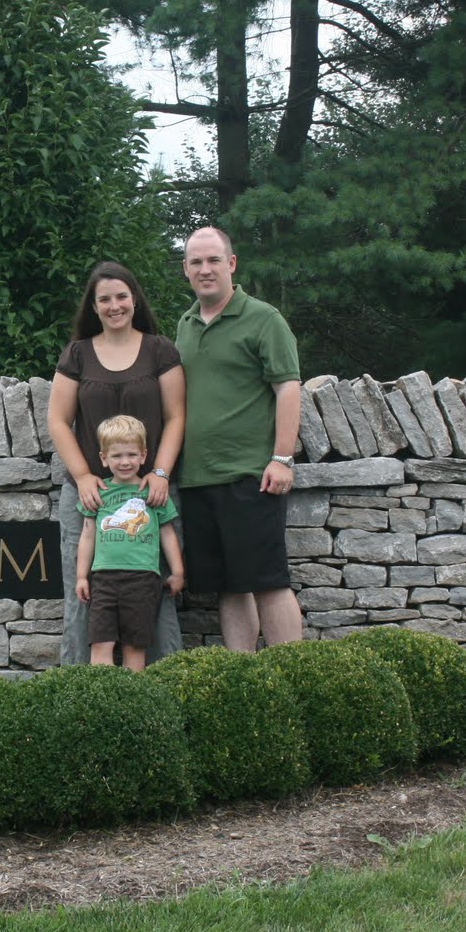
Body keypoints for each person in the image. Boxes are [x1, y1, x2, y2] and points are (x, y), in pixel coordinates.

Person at [47, 261, 186, 666]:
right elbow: (58, 420)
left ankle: (162, 688)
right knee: (84, 597)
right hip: (92, 499)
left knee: (155, 595)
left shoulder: (160, 350)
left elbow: (176, 416)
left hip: (151, 494)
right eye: (104, 299)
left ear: (134, 299)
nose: (114, 306)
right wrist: (83, 475)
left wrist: (159, 472)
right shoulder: (78, 354)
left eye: (121, 296)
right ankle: (80, 694)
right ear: (93, 306)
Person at [175, 226, 305, 652]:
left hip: (251, 475)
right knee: (228, 587)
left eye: (214, 260)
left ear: (231, 264)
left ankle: (296, 675)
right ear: (186, 270)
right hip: (197, 479)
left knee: (268, 582)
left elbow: (287, 387)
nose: (205, 269)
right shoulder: (186, 324)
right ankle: (243, 681)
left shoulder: (264, 319)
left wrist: (282, 458)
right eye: (196, 262)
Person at [75, 415, 186, 671]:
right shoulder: (98, 492)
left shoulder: (153, 492)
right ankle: (102, 704)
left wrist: (177, 572)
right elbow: (88, 534)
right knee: (101, 643)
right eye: (116, 456)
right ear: (103, 458)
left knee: (134, 647)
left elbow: (168, 534)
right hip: (103, 578)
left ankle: (131, 705)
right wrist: (82, 576)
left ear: (143, 455)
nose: (125, 462)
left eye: (131, 454)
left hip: (143, 579)